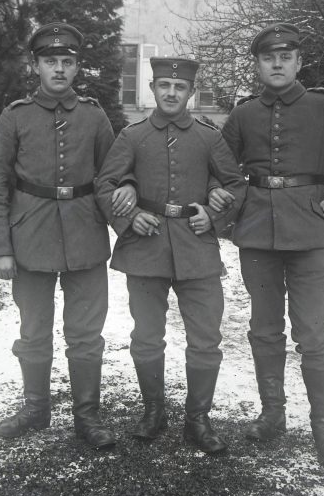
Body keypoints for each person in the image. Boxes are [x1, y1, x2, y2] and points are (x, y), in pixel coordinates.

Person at [211, 23, 324, 467]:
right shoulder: (244, 115)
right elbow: (216, 163)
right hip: (256, 234)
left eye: (286, 56)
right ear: (257, 65)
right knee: (263, 331)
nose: (277, 63)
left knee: (314, 336)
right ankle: (273, 415)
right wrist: (222, 200)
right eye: (268, 58)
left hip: (313, 232)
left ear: (298, 62)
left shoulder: (322, 106)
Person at [0, 22, 136, 449]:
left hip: (85, 235)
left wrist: (127, 191)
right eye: (51, 61)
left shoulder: (93, 114)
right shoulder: (15, 117)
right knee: (33, 330)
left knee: (86, 333)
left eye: (67, 62)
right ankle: (35, 409)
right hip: (29, 237)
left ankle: (87, 417)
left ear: (77, 67)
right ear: (35, 66)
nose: (60, 70)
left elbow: (112, 173)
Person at [95, 58, 247, 455]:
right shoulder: (132, 136)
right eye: (163, 85)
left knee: (206, 338)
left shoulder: (208, 137)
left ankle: (198, 419)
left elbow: (235, 184)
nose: (171, 93)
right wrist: (129, 218)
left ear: (191, 92)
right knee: (146, 335)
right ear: (152, 87)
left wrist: (213, 216)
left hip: (197, 247)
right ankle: (153, 411)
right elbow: (105, 183)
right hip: (145, 246)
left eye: (179, 88)